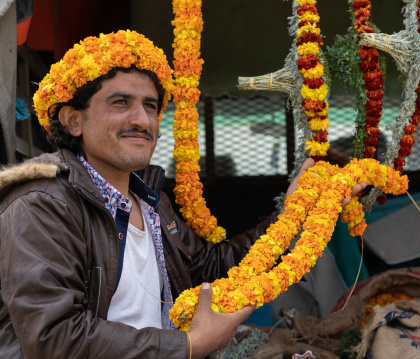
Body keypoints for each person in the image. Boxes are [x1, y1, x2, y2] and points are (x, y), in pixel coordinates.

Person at [0, 30, 365, 359]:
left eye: (150, 106)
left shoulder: (150, 201)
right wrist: (188, 346)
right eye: (120, 103)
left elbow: (209, 270)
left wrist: (296, 211)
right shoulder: (41, 203)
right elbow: (54, 339)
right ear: (73, 120)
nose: (142, 120)